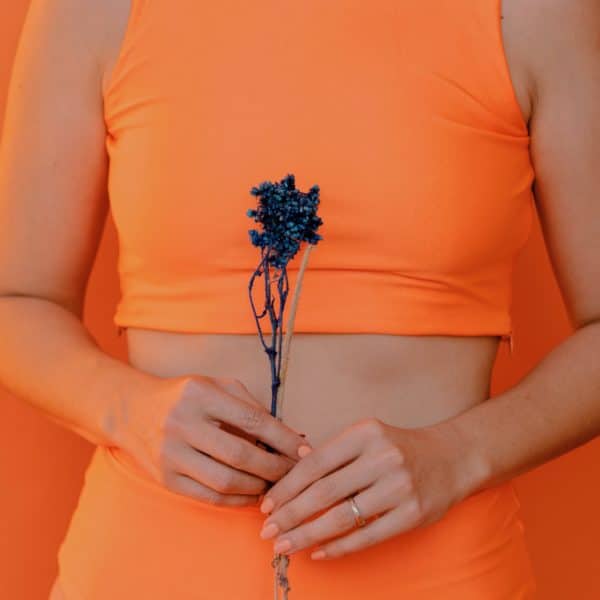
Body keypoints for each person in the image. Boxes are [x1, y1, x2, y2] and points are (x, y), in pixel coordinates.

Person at [0, 0, 598, 598]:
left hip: (442, 573)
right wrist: (125, 409)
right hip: (147, 567)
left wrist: (460, 455)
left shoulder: (532, 11)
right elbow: (17, 300)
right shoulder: (92, 9)